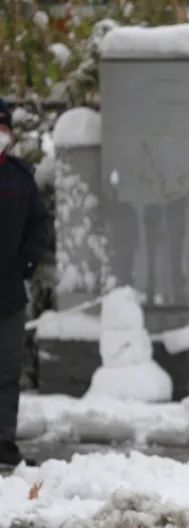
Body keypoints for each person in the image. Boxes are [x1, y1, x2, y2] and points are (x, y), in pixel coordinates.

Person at [0, 98, 50, 468]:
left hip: (8, 293)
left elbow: (39, 224)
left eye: (3, 128)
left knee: (6, 371)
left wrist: (25, 264)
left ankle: (3, 441)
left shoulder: (20, 177)